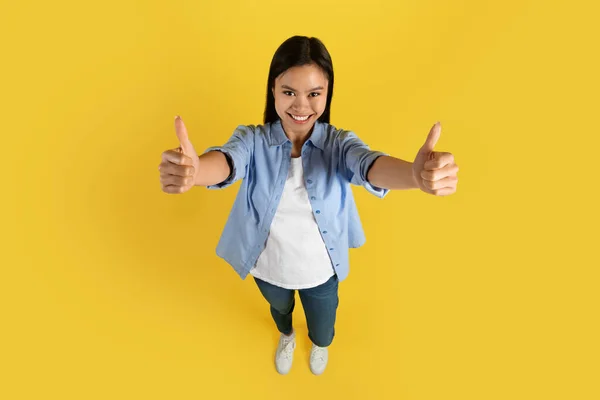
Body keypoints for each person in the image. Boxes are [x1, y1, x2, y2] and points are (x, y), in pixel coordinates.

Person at [158, 35, 459, 376]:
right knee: (280, 311)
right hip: (267, 266)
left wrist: (414, 175)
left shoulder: (339, 143)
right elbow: (228, 161)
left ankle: (318, 343)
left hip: (321, 271)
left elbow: (368, 164)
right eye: (289, 92)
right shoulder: (253, 139)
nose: (301, 107)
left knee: (323, 326)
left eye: (314, 93)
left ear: (327, 94)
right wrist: (196, 171)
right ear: (273, 90)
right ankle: (286, 336)